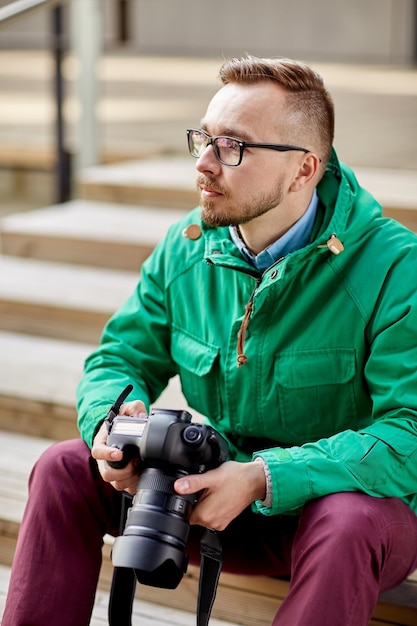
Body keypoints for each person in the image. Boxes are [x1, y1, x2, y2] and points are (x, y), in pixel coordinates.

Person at [3, 54, 417, 626]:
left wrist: (265, 476)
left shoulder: (396, 268)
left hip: (339, 522)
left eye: (233, 146)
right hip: (213, 500)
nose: (203, 162)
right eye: (204, 138)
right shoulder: (187, 246)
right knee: (63, 468)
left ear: (303, 170)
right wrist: (112, 426)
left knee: (346, 518)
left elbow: (409, 433)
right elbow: (120, 356)